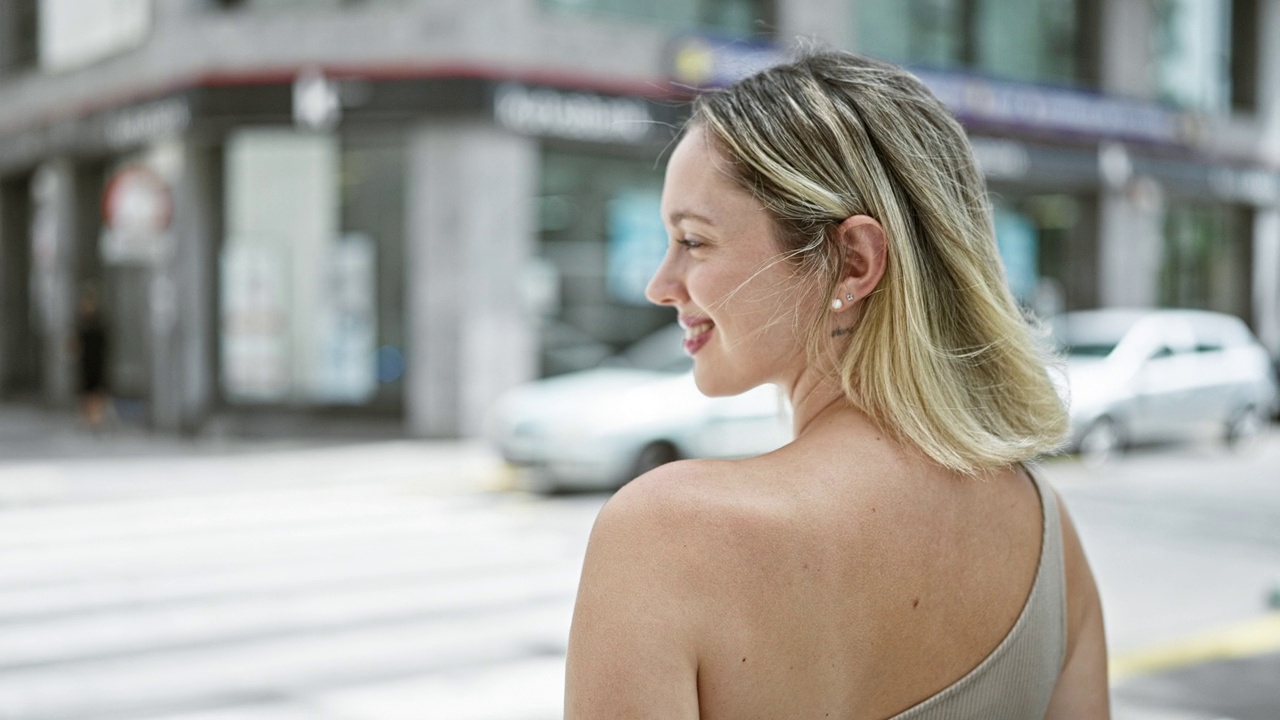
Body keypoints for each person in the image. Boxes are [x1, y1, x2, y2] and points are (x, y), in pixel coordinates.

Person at [564, 51, 1108, 719]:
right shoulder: (1047, 531)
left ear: (851, 262)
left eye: (694, 241)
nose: (659, 284)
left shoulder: (663, 536)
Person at [73, 288, 110, 430]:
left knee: (96, 391)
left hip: (97, 363)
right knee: (86, 391)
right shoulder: (82, 325)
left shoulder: (100, 325)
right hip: (86, 363)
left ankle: (96, 419)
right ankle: (88, 418)